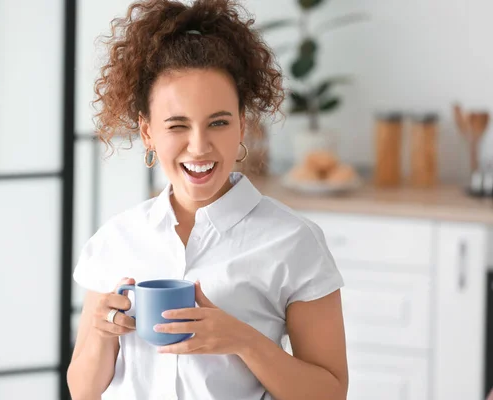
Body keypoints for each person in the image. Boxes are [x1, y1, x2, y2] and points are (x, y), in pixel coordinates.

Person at [67, 0, 348, 399]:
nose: (199, 147)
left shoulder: (292, 241)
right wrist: (99, 330)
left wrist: (244, 340)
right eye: (177, 125)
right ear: (147, 133)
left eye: (218, 122)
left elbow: (331, 393)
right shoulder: (116, 240)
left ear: (242, 126)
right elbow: (83, 390)